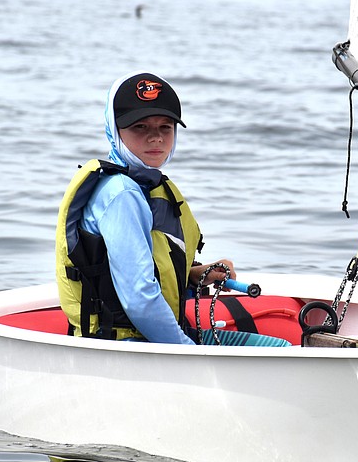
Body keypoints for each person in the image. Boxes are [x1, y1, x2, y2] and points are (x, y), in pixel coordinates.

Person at [55, 71, 234, 344]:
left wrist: (196, 276)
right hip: (129, 347)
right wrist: (189, 351)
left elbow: (134, 274)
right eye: (140, 127)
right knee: (280, 349)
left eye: (166, 127)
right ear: (115, 131)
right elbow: (139, 298)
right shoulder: (122, 194)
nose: (156, 138)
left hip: (148, 340)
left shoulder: (144, 184)